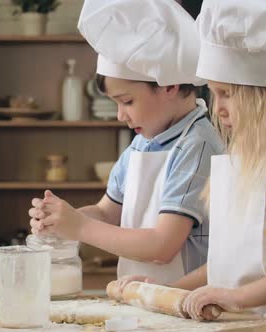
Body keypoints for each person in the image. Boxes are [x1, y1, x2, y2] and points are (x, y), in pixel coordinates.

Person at [117, 0, 266, 330]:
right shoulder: (247, 153)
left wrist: (238, 297)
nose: (219, 109)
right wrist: (166, 291)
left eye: (227, 94)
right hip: (237, 323)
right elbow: (228, 266)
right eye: (214, 95)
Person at [28, 0, 224, 285]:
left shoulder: (198, 145)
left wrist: (79, 226)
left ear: (169, 85)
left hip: (187, 301)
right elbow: (107, 212)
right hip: (147, 298)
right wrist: (60, 220)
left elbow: (162, 246)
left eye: (127, 101)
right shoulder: (141, 145)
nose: (120, 115)